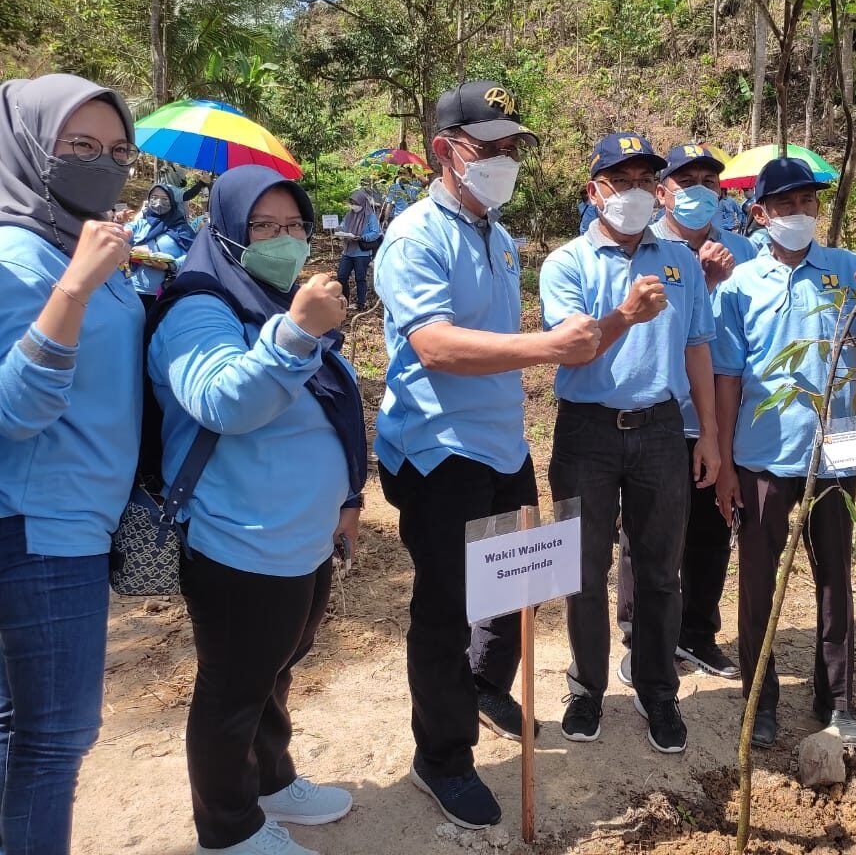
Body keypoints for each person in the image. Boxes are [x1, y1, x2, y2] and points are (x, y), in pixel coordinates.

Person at [375, 81, 600, 830]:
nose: (504, 161)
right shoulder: (414, 236)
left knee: (515, 583)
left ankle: (485, 685)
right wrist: (545, 347)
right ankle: (441, 757)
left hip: (501, 445)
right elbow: (433, 345)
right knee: (445, 608)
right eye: (489, 148)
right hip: (439, 453)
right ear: (445, 151)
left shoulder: (498, 236)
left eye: (512, 149)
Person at [149, 164, 364, 855]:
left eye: (293, 225)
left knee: (278, 667)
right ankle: (228, 825)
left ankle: (271, 778)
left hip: (302, 534)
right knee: (233, 690)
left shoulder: (274, 298)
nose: (282, 238)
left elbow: (331, 407)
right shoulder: (199, 306)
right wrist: (297, 333)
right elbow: (224, 403)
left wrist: (348, 497)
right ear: (226, 234)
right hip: (237, 540)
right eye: (262, 227)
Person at [713, 157, 856, 750]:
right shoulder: (741, 285)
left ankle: (838, 700)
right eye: (787, 205)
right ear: (760, 213)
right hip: (763, 457)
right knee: (757, 583)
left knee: (835, 579)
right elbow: (726, 378)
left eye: (808, 204)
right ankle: (759, 699)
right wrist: (721, 460)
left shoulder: (848, 271)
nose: (800, 214)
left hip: (836, 454)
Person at [541, 132, 718, 755]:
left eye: (649, 180)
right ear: (596, 193)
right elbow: (573, 345)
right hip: (587, 433)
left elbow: (698, 346)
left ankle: (657, 690)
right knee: (583, 570)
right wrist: (626, 313)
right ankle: (587, 688)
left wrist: (710, 436)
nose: (639, 193)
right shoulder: (566, 264)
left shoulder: (679, 261)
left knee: (659, 570)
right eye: (624, 181)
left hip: (663, 429)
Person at [0, 73, 140, 855]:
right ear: (26, 146)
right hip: (43, 526)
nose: (102, 164)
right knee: (55, 742)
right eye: (78, 147)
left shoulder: (69, 238)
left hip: (70, 516)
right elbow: (13, 412)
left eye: (117, 150)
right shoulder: (20, 259)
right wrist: (77, 288)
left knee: (18, 731)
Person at [614, 143, 756, 686]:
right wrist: (702, 280)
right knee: (648, 534)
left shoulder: (744, 249)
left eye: (709, 181)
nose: (699, 190)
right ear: (662, 191)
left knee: (712, 528)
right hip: (662, 416)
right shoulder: (647, 248)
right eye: (686, 179)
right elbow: (648, 332)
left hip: (720, 417)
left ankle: (697, 632)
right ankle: (642, 636)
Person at [126, 182, 197, 310]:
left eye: (164, 199)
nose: (159, 202)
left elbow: (194, 255)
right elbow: (122, 237)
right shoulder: (140, 224)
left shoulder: (182, 229)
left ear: (172, 201)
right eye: (154, 197)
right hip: (132, 291)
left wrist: (171, 264)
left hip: (166, 294)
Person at [336, 184, 381, 311]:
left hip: (361, 253)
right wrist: (339, 231)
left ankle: (361, 303)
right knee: (341, 276)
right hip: (348, 251)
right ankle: (345, 300)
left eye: (355, 203)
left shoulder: (370, 216)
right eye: (351, 203)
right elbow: (343, 226)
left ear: (362, 202)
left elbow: (375, 233)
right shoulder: (349, 215)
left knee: (360, 278)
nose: (353, 205)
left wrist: (361, 237)